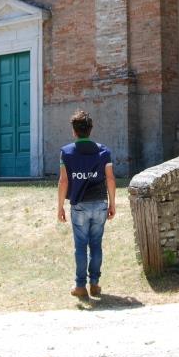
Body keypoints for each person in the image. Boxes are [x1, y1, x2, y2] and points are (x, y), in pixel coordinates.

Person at [56, 109, 116, 299]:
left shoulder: (66, 152)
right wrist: (112, 203)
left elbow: (63, 181)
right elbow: (111, 179)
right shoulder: (103, 151)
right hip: (100, 203)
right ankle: (95, 284)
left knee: (81, 246)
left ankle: (80, 286)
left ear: (74, 131)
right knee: (96, 245)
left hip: (79, 205)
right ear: (91, 129)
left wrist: (60, 207)